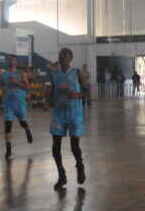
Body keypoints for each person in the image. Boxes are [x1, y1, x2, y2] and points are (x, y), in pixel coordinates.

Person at [50, 48, 88, 190]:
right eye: (60, 56)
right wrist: (47, 101)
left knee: (74, 147)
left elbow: (86, 90)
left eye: (64, 56)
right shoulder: (54, 73)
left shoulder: (77, 72)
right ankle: (61, 175)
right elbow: (53, 89)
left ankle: (79, 165)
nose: (61, 58)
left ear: (70, 58)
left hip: (74, 112)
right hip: (59, 112)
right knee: (55, 147)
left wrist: (77, 95)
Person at [2, 56, 33, 159]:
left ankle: (27, 130)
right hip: (8, 103)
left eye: (13, 59)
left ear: (16, 62)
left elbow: (27, 87)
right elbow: (2, 86)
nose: (11, 61)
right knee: (7, 126)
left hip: (19, 102)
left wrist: (16, 82)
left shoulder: (21, 74)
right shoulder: (4, 74)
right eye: (10, 59)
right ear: (8, 62)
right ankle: (8, 149)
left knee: (22, 122)